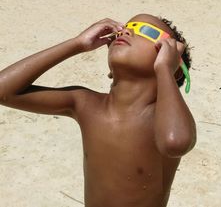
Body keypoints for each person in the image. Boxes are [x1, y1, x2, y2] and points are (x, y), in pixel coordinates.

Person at [0, 14, 196, 207]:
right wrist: (77, 44)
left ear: (174, 66)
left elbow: (175, 142)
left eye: (146, 31)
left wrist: (164, 69)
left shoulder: (162, 117)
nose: (127, 31)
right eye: (126, 28)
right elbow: (3, 91)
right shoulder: (86, 104)